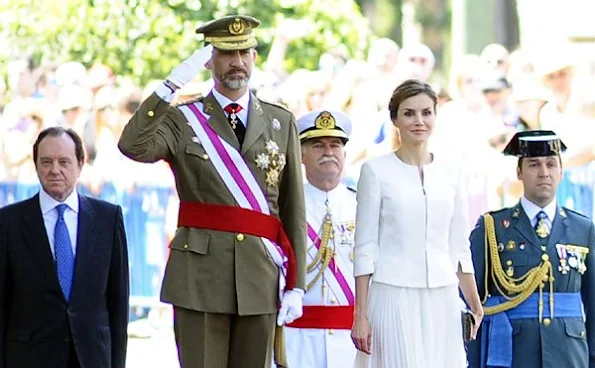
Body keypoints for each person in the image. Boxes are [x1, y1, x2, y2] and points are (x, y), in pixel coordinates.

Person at [117, 15, 307, 368]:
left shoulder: (281, 122)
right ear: (209, 59)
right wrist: (170, 85)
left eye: (245, 52)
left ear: (254, 56)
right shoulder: (182, 118)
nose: (237, 62)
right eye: (225, 53)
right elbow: (133, 146)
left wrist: (297, 283)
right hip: (200, 276)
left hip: (259, 273)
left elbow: (292, 207)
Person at [350, 79, 483, 367]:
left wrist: (474, 301)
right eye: (409, 113)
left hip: (443, 295)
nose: (418, 121)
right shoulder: (375, 172)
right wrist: (360, 314)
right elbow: (364, 249)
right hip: (392, 293)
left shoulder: (452, 173)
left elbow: (459, 247)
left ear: (436, 115)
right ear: (394, 119)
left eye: (426, 112)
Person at [0, 127, 129, 368]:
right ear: (36, 164)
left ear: (80, 164)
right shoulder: (9, 222)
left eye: (64, 162)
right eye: (46, 161)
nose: (55, 170)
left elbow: (118, 304)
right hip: (29, 357)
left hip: (91, 356)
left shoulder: (108, 219)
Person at [466, 130, 595, 368]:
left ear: (561, 172)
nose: (544, 172)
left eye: (551, 164)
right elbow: (474, 304)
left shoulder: (583, 228)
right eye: (534, 164)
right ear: (519, 172)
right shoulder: (493, 228)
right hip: (512, 354)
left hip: (569, 354)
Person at [284, 109, 357, 367]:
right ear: (301, 154)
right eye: (318, 145)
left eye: (335, 145)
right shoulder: (285, 206)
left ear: (344, 154)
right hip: (299, 340)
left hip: (352, 343)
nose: (328, 152)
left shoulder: (361, 205)